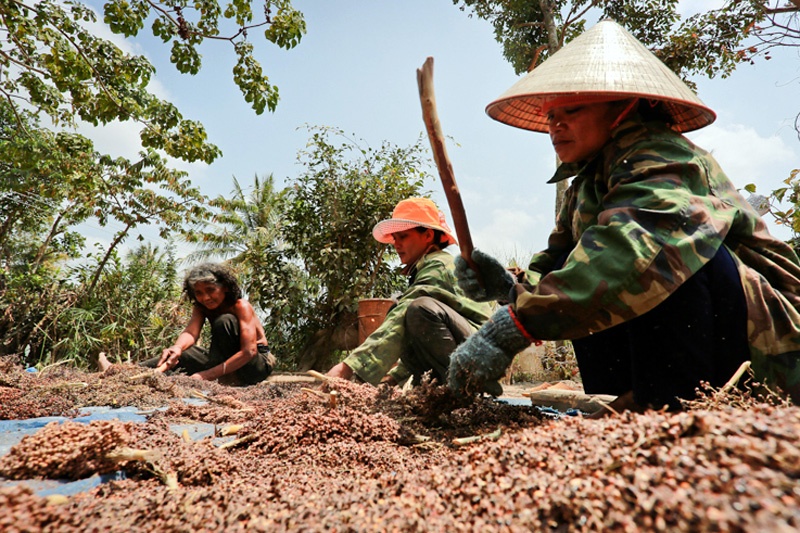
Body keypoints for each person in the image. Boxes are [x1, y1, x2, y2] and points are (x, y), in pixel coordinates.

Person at [448, 20, 800, 414]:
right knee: (577, 265)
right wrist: (509, 289)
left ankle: (673, 402)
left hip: (763, 342)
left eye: (573, 110)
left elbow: (632, 248)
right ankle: (633, 396)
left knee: (656, 254)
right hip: (693, 333)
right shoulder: (588, 181)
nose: (555, 126)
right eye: (550, 116)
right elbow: (561, 266)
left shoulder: (659, 154)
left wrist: (509, 332)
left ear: (623, 108)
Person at [326, 197, 493, 391]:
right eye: (395, 238)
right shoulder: (427, 267)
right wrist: (392, 379)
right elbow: (422, 341)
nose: (397, 244)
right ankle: (442, 392)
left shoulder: (439, 265)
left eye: (403, 237)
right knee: (409, 318)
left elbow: (407, 313)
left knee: (418, 309)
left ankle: (462, 390)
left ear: (428, 236)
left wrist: (348, 367)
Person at [98, 262, 275, 385]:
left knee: (224, 321)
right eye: (199, 293)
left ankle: (224, 377)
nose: (205, 297)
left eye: (211, 290)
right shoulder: (202, 307)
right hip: (222, 363)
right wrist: (177, 348)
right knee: (186, 353)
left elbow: (249, 351)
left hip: (254, 365)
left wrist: (205, 375)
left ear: (226, 287)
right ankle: (121, 371)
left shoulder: (240, 306)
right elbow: (191, 333)